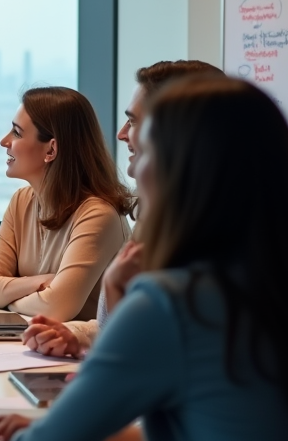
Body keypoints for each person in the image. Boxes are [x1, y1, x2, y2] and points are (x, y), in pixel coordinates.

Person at [0, 76, 288, 441]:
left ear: (182, 172)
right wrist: (97, 429)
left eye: (146, 151)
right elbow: (218, 428)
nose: (132, 170)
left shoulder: (173, 304)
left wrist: (63, 431)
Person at [21, 60, 223, 357]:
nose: (121, 133)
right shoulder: (156, 216)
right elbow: (123, 329)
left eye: (135, 121)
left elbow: (150, 354)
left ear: (174, 133)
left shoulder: (205, 241)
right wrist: (78, 336)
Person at [0, 87, 133, 321]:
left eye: (17, 133)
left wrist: (8, 297)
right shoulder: (21, 201)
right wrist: (40, 283)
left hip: (80, 354)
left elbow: (57, 307)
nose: (4, 141)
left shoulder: (97, 214)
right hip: (36, 346)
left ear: (51, 149)